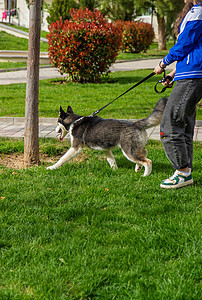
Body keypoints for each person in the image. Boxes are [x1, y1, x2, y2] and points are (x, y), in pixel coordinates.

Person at [154, 0, 202, 189]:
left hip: (194, 74)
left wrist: (163, 63)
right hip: (189, 73)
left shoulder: (198, 12)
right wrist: (175, 73)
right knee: (184, 124)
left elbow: (185, 44)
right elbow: (195, 47)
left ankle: (182, 172)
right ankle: (185, 171)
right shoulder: (194, 11)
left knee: (170, 124)